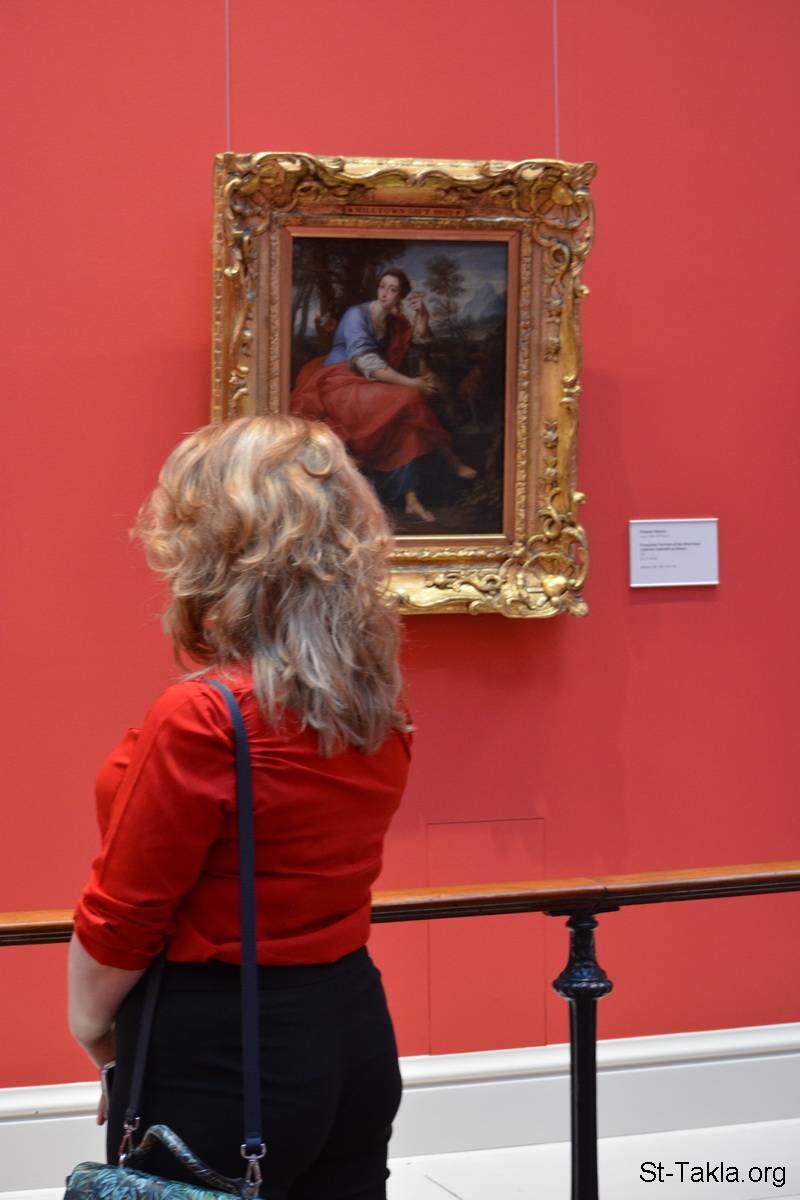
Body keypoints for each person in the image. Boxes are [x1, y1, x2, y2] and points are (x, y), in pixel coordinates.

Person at [68, 415, 413, 1200]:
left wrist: (98, 1035)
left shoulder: (204, 714)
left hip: (227, 1042)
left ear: (213, 547)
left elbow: (124, 916)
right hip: (352, 1026)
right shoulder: (372, 706)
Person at [291, 268, 476, 523]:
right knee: (409, 398)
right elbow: (365, 361)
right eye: (382, 286)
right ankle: (450, 458)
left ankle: (410, 498)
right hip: (339, 383)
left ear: (400, 296)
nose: (385, 293)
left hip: (368, 384)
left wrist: (422, 315)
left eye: (393, 289)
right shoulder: (356, 315)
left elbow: (418, 343)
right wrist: (412, 383)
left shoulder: (394, 321)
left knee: (405, 422)